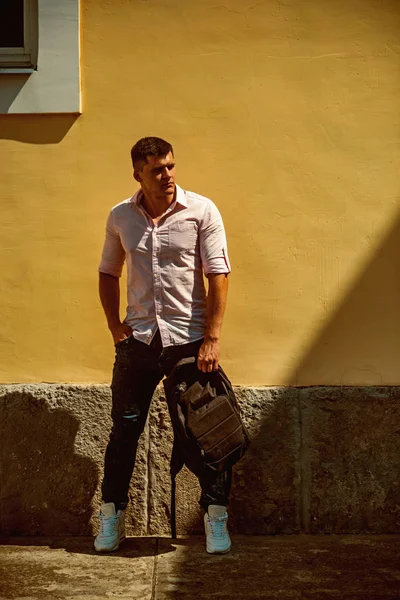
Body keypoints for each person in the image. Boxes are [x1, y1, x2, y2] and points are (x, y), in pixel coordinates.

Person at [95, 136, 232, 554]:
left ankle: (215, 517)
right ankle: (111, 516)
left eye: (170, 166)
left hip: (189, 340)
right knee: (125, 430)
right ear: (138, 173)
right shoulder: (121, 216)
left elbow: (218, 274)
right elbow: (107, 272)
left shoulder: (201, 210)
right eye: (157, 169)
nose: (167, 175)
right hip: (138, 340)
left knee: (209, 430)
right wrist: (115, 327)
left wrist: (212, 337)